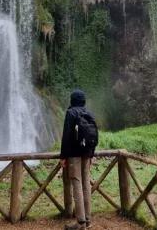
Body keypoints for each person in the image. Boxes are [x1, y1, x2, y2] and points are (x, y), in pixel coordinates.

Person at [60, 90, 98, 230]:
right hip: (87, 153)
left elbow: (66, 136)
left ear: (72, 100)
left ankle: (81, 223)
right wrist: (91, 155)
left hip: (74, 154)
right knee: (86, 185)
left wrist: (63, 156)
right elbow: (94, 136)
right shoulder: (89, 113)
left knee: (77, 184)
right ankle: (88, 220)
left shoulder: (71, 113)